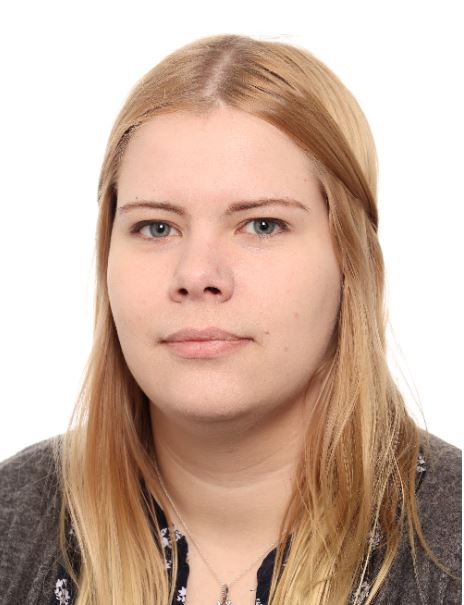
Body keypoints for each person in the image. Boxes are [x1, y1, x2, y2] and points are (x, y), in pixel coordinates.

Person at [0, 34, 461, 605]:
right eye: (156, 227)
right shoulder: (13, 524)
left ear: (352, 261)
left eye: (262, 225)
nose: (197, 274)